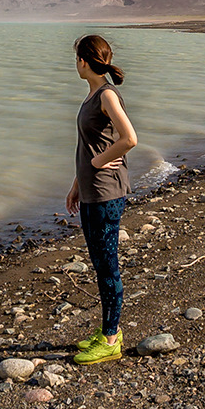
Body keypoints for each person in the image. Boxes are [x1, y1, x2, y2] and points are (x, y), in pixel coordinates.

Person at [64, 34, 138, 364]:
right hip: (92, 191)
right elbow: (90, 146)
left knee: (107, 266)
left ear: (83, 61)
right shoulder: (94, 93)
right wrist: (77, 184)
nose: (74, 63)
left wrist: (95, 165)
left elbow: (130, 139)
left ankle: (110, 339)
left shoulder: (106, 94)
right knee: (99, 263)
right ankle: (110, 329)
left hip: (107, 193)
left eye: (76, 58)